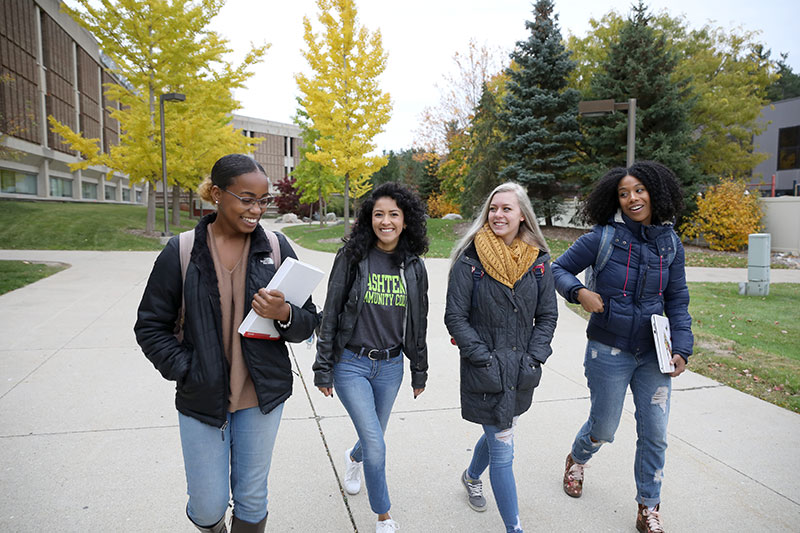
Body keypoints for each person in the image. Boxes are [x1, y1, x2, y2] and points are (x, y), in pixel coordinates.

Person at [134, 154, 319, 533]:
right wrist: (187, 370)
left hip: (261, 397)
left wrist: (285, 312)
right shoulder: (182, 251)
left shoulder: (277, 247)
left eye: (264, 201)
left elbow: (308, 322)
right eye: (246, 198)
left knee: (252, 498)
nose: (256, 210)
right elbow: (150, 326)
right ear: (217, 194)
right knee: (207, 505)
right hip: (202, 396)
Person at [551, 161, 693, 533]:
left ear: (655, 193)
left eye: (639, 190)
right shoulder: (603, 237)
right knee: (604, 426)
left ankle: (649, 507)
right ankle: (578, 458)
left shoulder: (670, 243)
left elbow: (677, 299)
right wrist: (579, 292)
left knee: (655, 432)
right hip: (608, 349)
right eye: (624, 193)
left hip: (653, 355)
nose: (632, 198)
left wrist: (682, 347)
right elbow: (557, 269)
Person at [313, 182, 429, 533]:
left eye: (394, 214)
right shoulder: (352, 257)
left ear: (406, 220)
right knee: (377, 445)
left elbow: (418, 322)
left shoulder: (413, 266)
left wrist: (419, 371)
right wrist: (323, 368)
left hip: (392, 366)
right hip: (352, 364)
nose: (386, 221)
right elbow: (331, 312)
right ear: (369, 219)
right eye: (379, 214)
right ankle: (384, 515)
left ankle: (353, 458)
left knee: (372, 436)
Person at [444, 182, 558, 533]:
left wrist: (534, 357)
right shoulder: (471, 260)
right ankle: (514, 528)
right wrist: (484, 358)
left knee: (499, 427)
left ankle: (471, 475)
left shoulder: (537, 262)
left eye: (506, 209)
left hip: (521, 368)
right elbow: (455, 317)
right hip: (486, 370)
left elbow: (548, 316)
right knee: (504, 448)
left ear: (522, 214)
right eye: (493, 208)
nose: (498, 215)